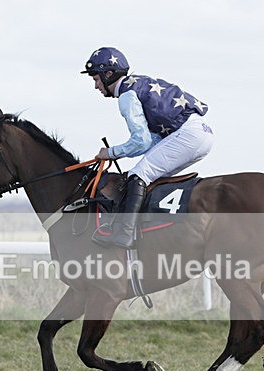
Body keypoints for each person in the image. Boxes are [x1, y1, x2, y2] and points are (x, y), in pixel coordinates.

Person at [81, 46, 214, 248]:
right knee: (150, 177)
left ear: (108, 74)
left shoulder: (126, 95)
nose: (96, 86)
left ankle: (123, 234)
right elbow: (151, 141)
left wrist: (110, 153)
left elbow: (141, 141)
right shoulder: (137, 83)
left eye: (96, 79)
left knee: (138, 175)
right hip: (200, 133)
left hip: (188, 134)